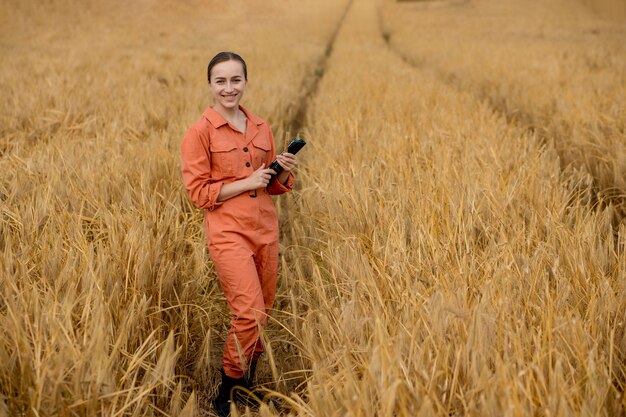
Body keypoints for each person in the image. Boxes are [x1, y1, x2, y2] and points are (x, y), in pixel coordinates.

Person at [180, 51, 298, 416]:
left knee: (264, 312)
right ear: (210, 85)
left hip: (265, 228)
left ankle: (247, 386)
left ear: (246, 82)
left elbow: (272, 187)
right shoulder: (199, 133)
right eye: (221, 81)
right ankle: (227, 391)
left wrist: (281, 169)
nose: (229, 88)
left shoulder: (261, 127)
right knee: (248, 312)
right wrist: (244, 181)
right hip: (228, 232)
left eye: (235, 80)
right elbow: (199, 193)